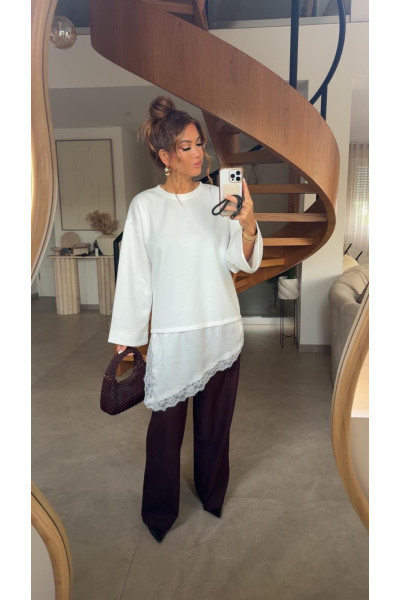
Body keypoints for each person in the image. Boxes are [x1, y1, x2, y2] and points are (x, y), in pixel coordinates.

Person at [108, 96, 262, 543]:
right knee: (164, 433)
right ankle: (159, 513)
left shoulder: (220, 199)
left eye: (200, 144)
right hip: (173, 335)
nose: (199, 154)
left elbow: (239, 261)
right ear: (165, 156)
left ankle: (212, 496)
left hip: (221, 331)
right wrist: (128, 338)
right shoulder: (145, 207)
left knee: (215, 428)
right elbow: (135, 276)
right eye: (187, 147)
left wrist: (248, 225)